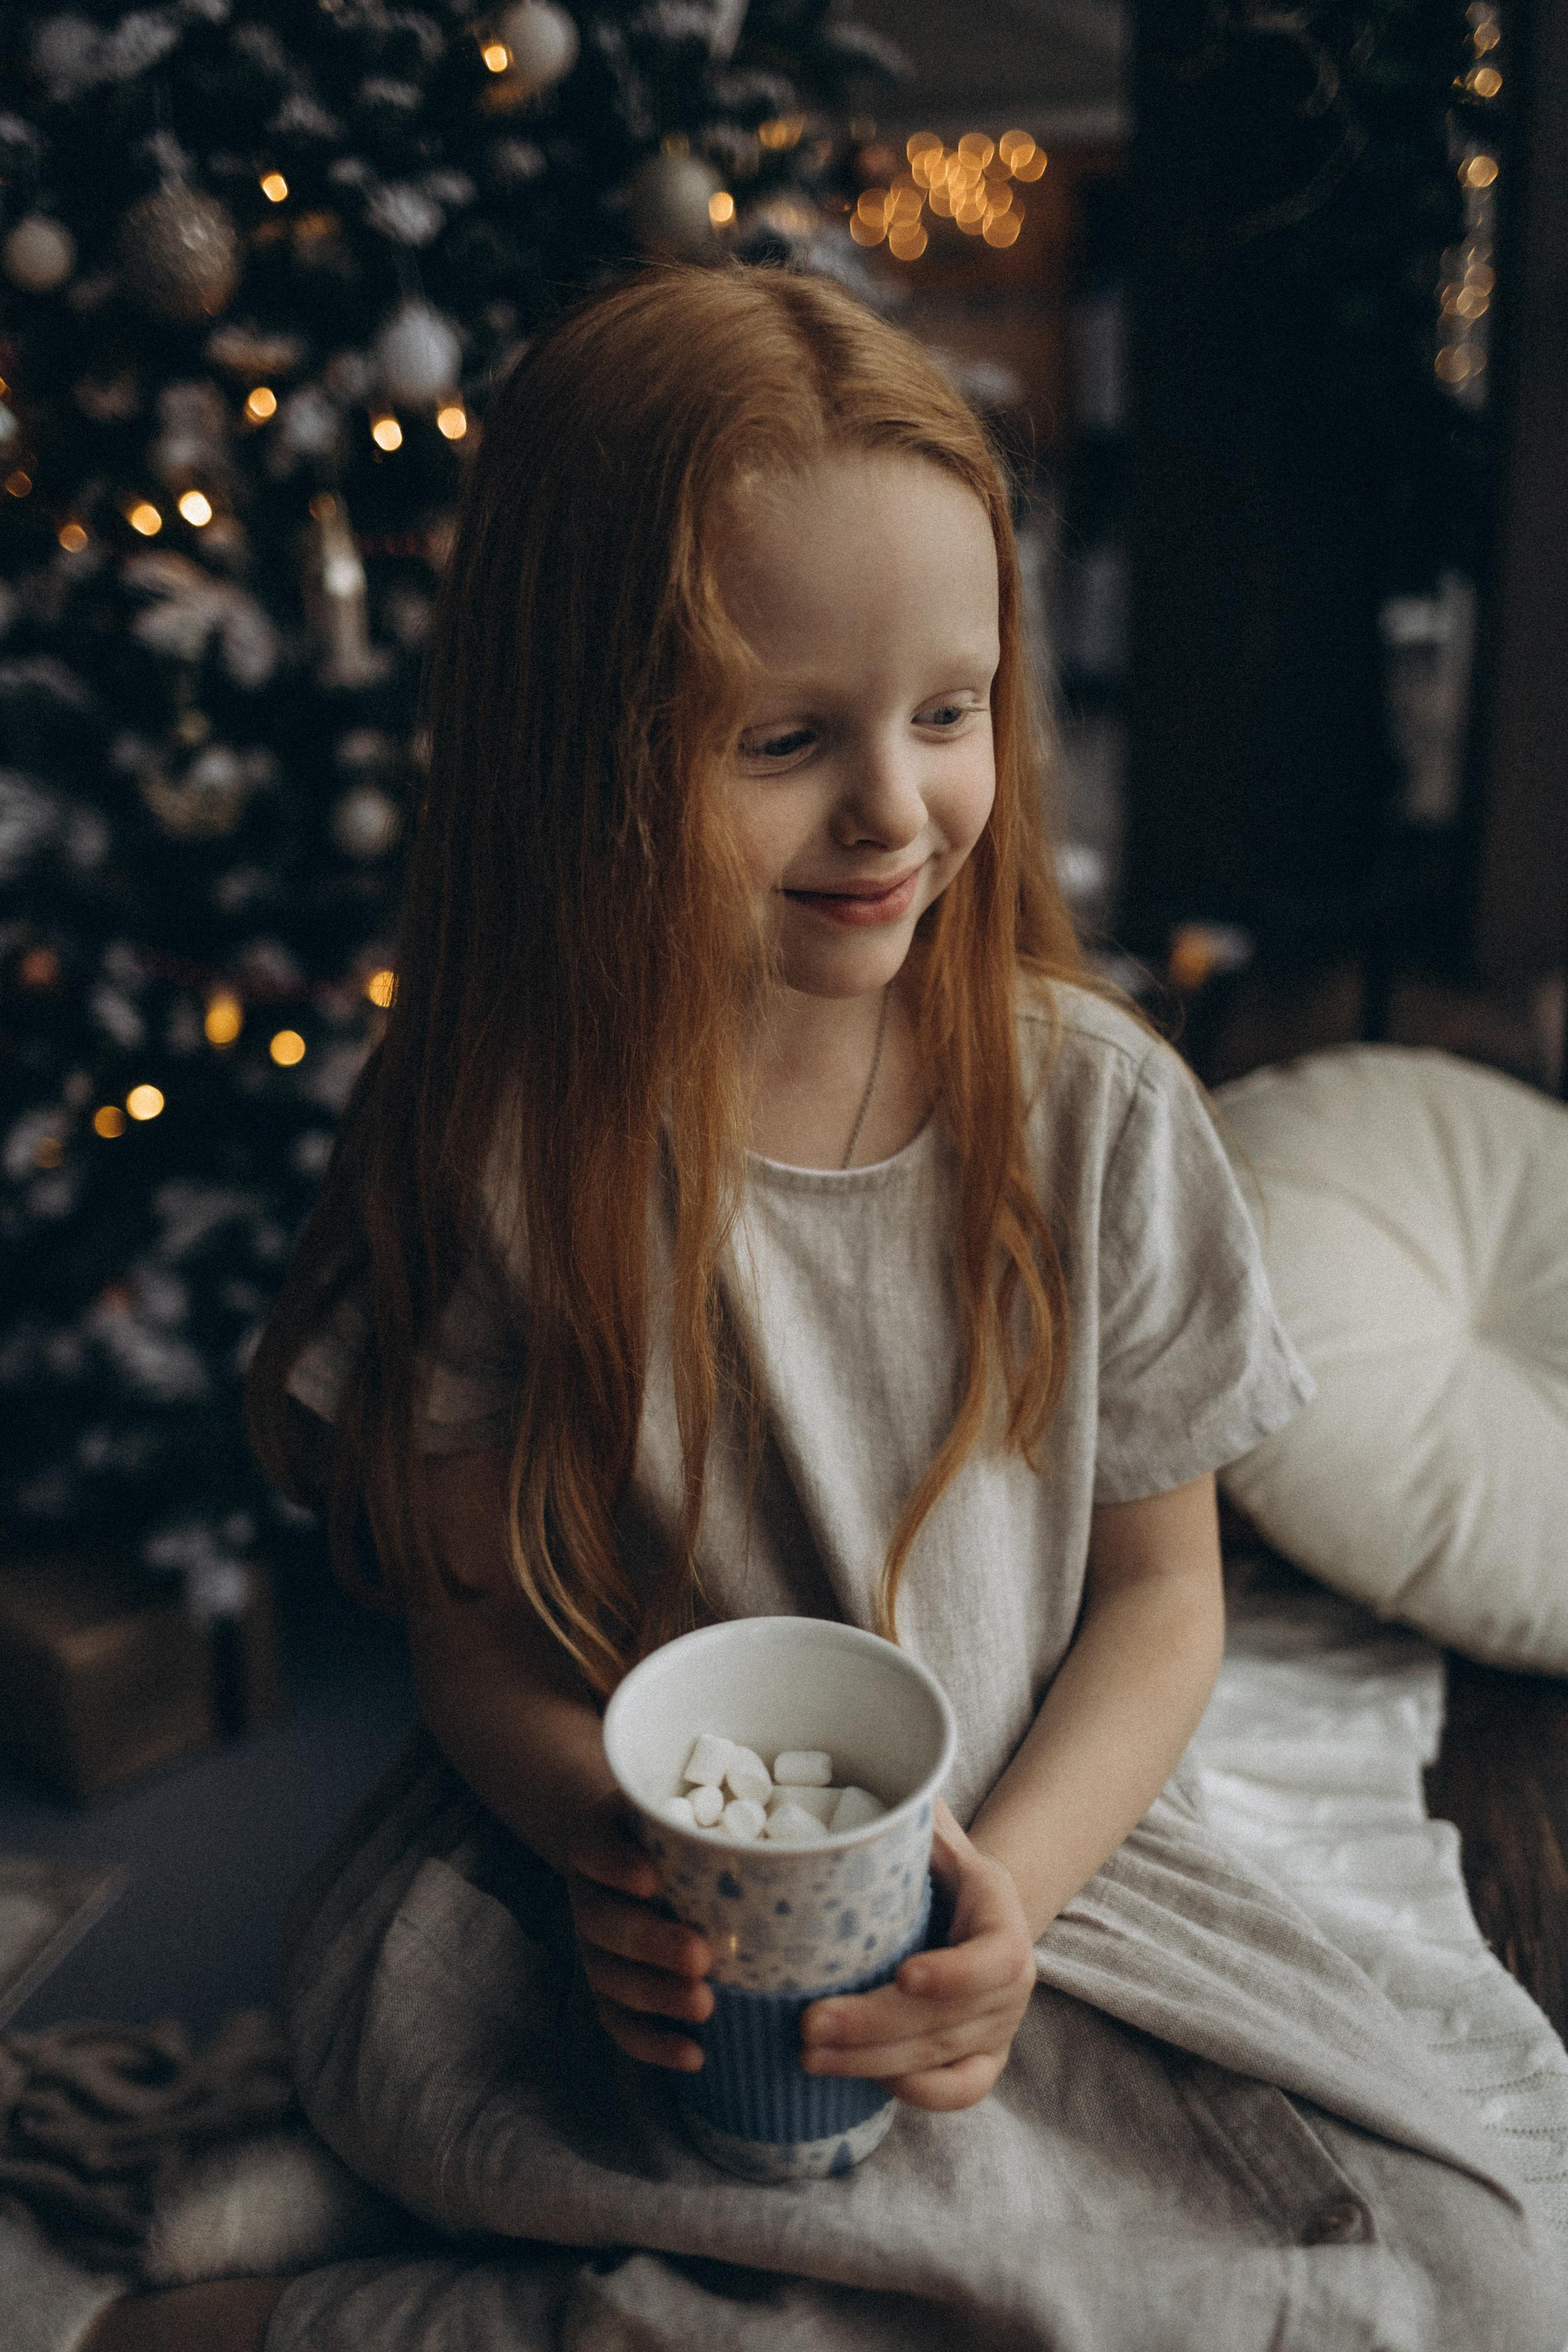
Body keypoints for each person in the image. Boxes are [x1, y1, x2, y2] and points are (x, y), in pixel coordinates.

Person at [92, 264, 1559, 2351]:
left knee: (1468, 2282)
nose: (895, 810)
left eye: (949, 714)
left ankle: (479, 2271)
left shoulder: (1094, 1112)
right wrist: (613, 1852)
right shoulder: (505, 1134)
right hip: (593, 1916)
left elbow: (1162, 1602)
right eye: (786, 740)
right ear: (577, 751)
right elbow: (476, 1638)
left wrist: (1013, 1906)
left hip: (1025, 1871)